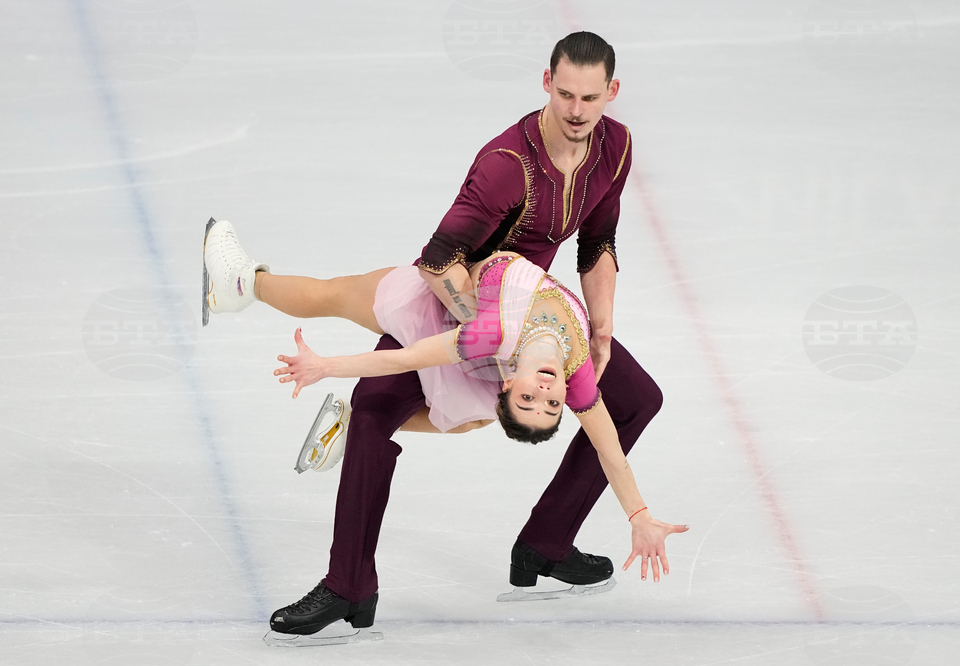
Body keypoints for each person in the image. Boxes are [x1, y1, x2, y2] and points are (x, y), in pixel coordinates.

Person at [207, 31, 686, 641]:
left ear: (611, 93)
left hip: (532, 323)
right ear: (546, 83)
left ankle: (547, 540)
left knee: (636, 398)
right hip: (455, 304)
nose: (575, 111)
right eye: (564, 94)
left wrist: (601, 326)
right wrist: (484, 331)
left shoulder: (613, 148)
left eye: (589, 98)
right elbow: (437, 259)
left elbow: (597, 241)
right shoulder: (505, 166)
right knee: (374, 405)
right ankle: (348, 585)